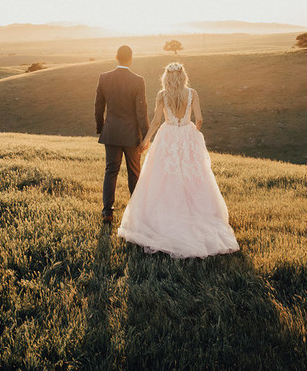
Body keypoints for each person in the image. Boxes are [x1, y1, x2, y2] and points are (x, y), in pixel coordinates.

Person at [118, 62, 239, 258]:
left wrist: (145, 141)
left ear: (166, 77)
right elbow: (199, 119)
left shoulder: (162, 95)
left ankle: (165, 214)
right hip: (187, 135)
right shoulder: (192, 93)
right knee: (194, 175)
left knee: (163, 176)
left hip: (168, 136)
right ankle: (197, 214)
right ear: (183, 76)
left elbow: (156, 121)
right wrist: (191, 132)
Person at [95, 45, 149, 223]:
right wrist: (147, 136)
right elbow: (141, 111)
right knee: (134, 172)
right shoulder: (138, 80)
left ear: (116, 57)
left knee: (111, 171)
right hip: (131, 135)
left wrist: (101, 128)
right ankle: (136, 211)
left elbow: (99, 107)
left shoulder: (104, 78)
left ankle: (107, 212)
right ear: (131, 58)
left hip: (111, 132)